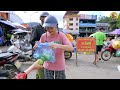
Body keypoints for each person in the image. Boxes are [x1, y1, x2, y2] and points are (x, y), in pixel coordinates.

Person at [15, 15, 74, 79]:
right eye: (47, 28)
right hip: (47, 66)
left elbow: (71, 48)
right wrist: (36, 47)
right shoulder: (44, 36)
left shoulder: (61, 36)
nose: (49, 30)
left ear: (56, 26)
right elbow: (39, 48)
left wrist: (58, 46)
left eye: (51, 28)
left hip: (59, 66)